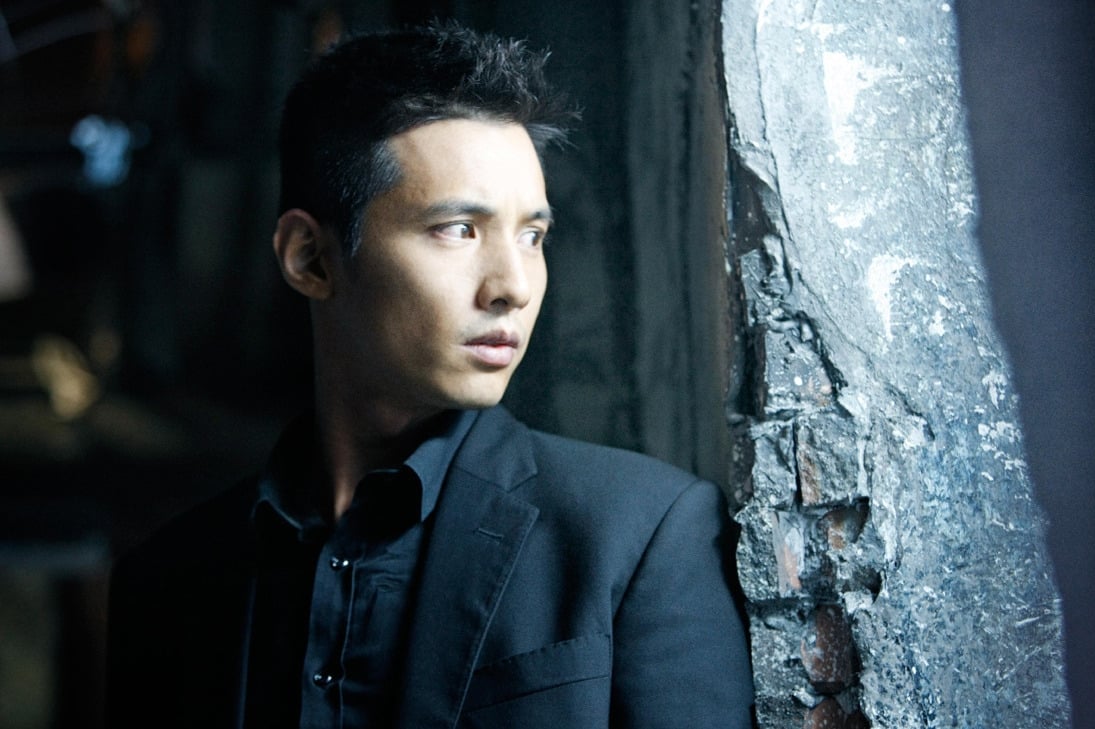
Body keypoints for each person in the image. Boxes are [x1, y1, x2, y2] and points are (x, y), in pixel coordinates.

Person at [106, 21, 755, 729]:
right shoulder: (166, 579)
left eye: (532, 236)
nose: (513, 286)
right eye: (458, 229)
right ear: (310, 258)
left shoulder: (641, 535)